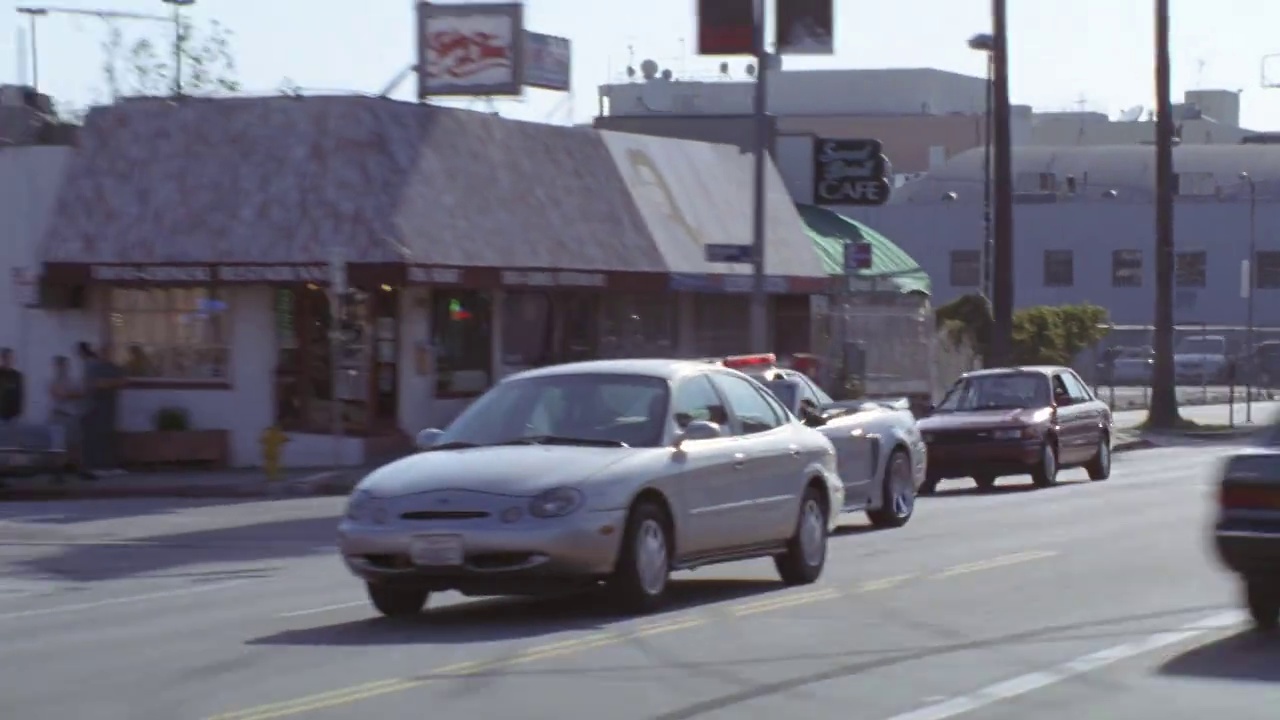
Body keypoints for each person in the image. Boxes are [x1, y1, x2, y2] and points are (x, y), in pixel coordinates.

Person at [77, 341, 127, 478]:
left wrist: (107, 383)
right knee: (93, 437)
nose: (107, 354)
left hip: (110, 407)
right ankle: (93, 466)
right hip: (94, 406)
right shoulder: (94, 367)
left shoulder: (115, 368)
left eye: (109, 352)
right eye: (104, 352)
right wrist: (109, 383)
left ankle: (108, 465)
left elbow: (122, 381)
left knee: (108, 435)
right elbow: (94, 384)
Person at [48, 355, 84, 478]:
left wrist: (69, 394)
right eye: (61, 365)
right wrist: (71, 394)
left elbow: (81, 393)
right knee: (58, 445)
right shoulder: (52, 380)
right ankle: (57, 473)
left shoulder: (72, 380)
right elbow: (59, 394)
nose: (64, 368)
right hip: (58, 416)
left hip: (71, 415)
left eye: (66, 365)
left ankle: (75, 468)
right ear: (57, 366)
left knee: (74, 443)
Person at [0, 347, 23, 424]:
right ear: (3, 358)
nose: (10, 360)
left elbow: (20, 395)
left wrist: (19, 413)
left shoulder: (17, 376)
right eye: (8, 357)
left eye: (12, 357)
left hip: (13, 416)